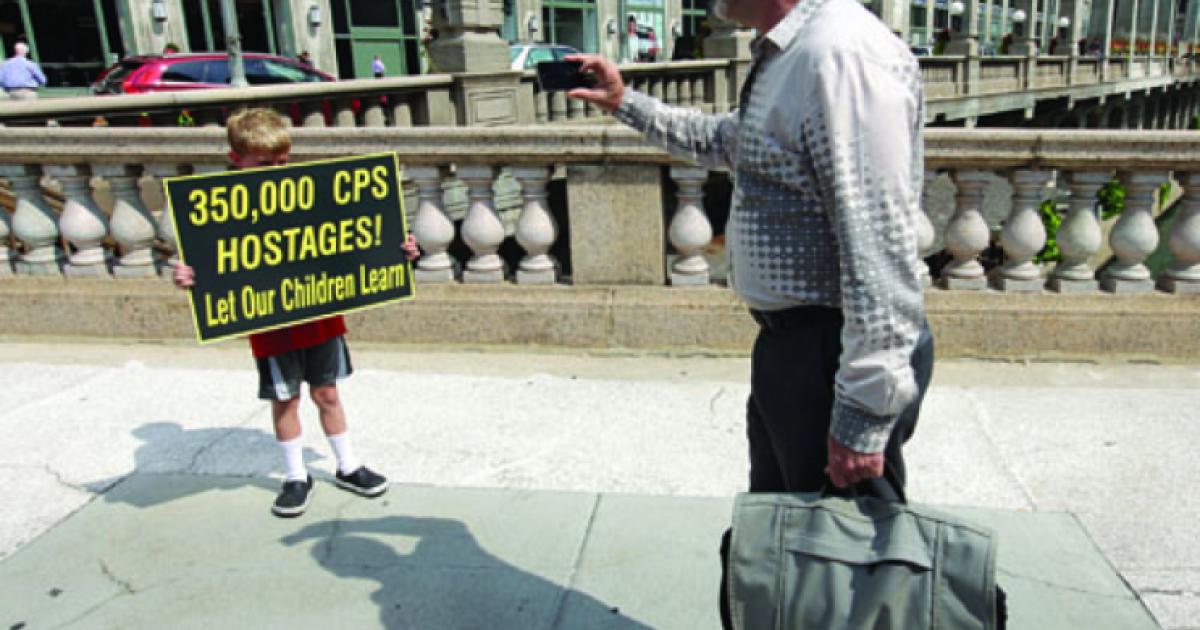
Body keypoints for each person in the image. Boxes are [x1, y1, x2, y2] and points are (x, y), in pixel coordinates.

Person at [567, 0, 934, 625]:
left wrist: (864, 413)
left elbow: (880, 244)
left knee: (849, 579)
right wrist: (624, 101)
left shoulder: (839, 54)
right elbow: (722, 141)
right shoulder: (793, 52)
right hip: (796, 349)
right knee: (786, 553)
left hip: (831, 350)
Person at [172, 108, 421, 518]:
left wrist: (399, 250)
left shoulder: (310, 194)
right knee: (285, 400)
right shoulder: (217, 207)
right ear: (237, 159)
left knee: (328, 393)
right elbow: (209, 262)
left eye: (283, 163)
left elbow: (353, 236)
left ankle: (347, 465)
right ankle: (294, 475)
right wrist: (187, 276)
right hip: (271, 325)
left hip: (320, 314)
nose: (275, 171)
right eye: (265, 164)